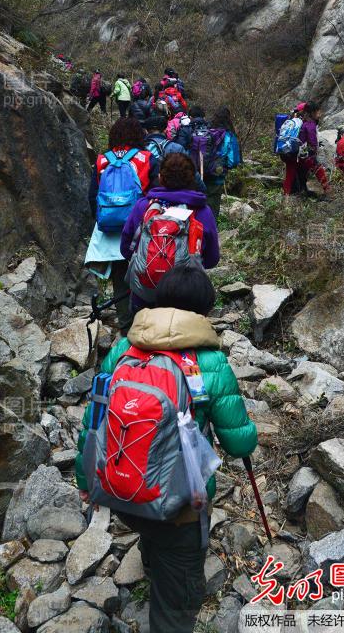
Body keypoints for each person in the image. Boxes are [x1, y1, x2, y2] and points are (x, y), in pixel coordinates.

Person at [75, 265, 258, 633]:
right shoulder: (210, 362)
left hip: (120, 490)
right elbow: (238, 442)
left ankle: (151, 557)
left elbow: (94, 420)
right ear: (204, 309)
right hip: (180, 505)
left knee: (151, 527)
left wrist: (84, 479)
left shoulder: (125, 348)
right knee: (177, 599)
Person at [121, 153, 219, 313]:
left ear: (160, 178)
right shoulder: (202, 211)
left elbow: (126, 249)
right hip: (187, 297)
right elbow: (212, 259)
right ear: (192, 179)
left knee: (143, 327)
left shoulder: (143, 206)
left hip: (145, 293)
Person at [85, 118, 157, 333]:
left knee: (120, 277)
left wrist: (104, 220)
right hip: (140, 228)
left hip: (111, 230)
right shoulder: (147, 158)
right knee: (145, 273)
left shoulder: (102, 160)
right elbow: (156, 193)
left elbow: (92, 196)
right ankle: (147, 324)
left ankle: (126, 328)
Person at [143, 116, 207, 191]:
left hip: (147, 192)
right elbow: (192, 171)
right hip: (173, 190)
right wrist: (202, 189)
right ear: (165, 130)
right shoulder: (176, 148)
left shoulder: (139, 149)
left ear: (146, 131)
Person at [204, 107, 241, 219]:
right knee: (212, 207)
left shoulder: (205, 131)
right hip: (217, 176)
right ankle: (210, 228)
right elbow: (232, 161)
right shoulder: (228, 136)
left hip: (200, 173)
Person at [297, 101, 331, 197]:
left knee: (302, 172)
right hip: (308, 153)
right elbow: (312, 140)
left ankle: (302, 191)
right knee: (319, 170)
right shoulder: (310, 124)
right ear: (312, 112)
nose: (320, 114)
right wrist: (315, 150)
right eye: (318, 112)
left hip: (300, 153)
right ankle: (327, 190)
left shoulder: (304, 121)